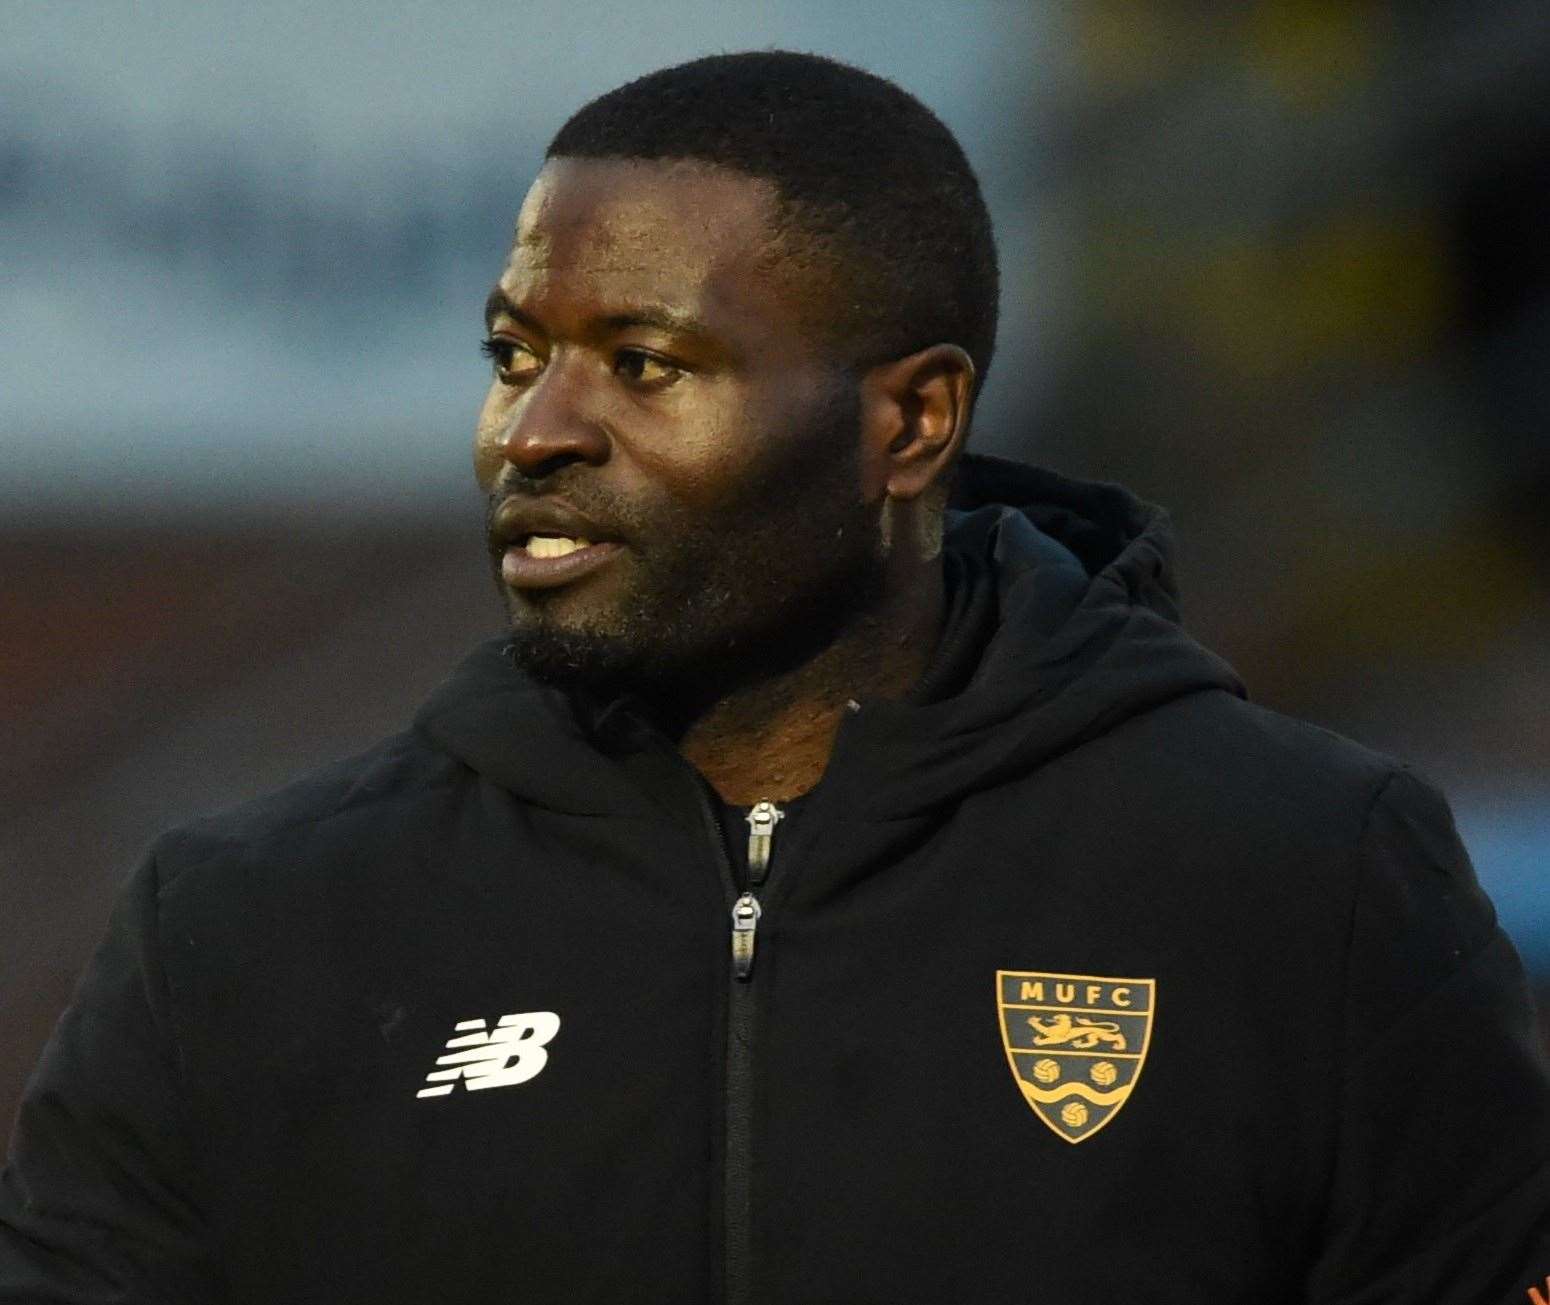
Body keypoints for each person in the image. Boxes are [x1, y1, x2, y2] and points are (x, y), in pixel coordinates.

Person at [3, 50, 1547, 1305]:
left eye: (646, 363)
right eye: (511, 352)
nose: (530, 431)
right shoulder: (254, 922)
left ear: (910, 425)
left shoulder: (1300, 874)